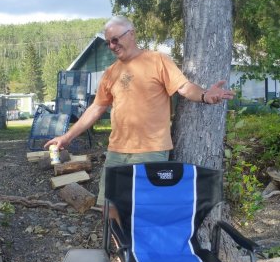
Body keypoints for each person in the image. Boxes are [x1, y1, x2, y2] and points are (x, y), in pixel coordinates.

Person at [44, 15, 235, 207]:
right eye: (108, 42)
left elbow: (184, 88)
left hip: (151, 150)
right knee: (110, 208)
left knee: (145, 209)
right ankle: (119, 239)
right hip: (116, 151)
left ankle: (138, 238)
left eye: (115, 40)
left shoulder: (157, 60)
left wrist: (204, 95)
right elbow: (96, 107)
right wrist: (67, 137)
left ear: (131, 34)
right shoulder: (110, 72)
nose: (112, 46)